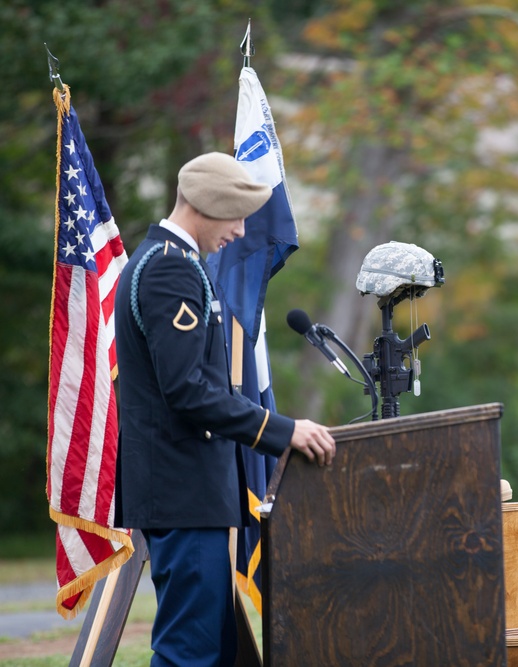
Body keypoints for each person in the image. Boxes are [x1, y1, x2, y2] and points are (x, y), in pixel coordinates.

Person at [114, 152, 336, 666]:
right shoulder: (169, 269)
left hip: (188, 493)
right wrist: (282, 430)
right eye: (234, 214)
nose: (240, 231)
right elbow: (188, 391)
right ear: (203, 206)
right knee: (187, 655)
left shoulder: (172, 261)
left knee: (210, 651)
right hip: (183, 492)